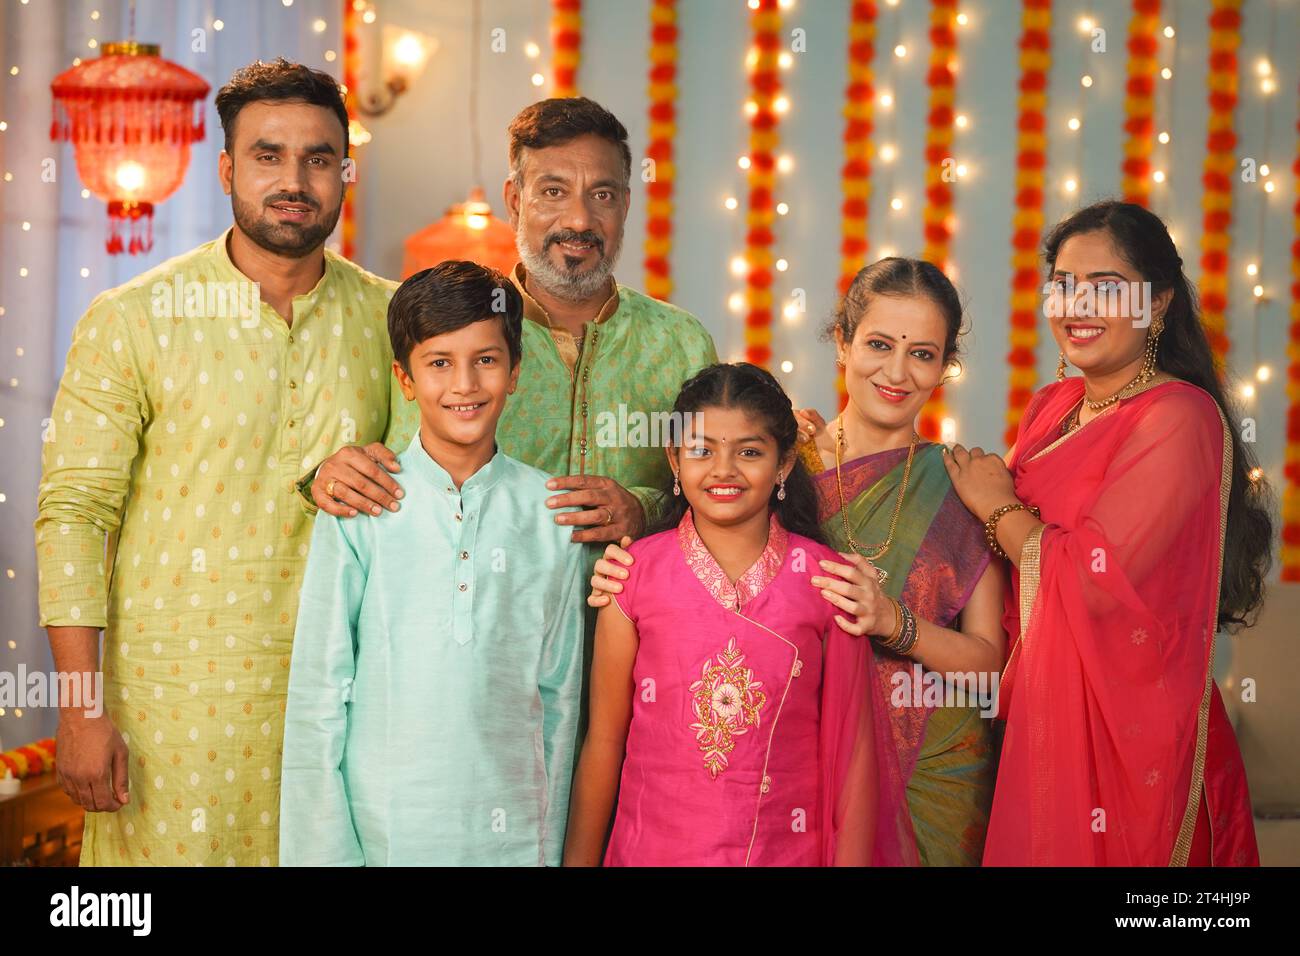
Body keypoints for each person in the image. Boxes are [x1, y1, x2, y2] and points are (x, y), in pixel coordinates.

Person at [34, 59, 402, 866]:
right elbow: (74, 516)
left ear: (344, 172)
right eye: (268, 156)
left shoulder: (393, 318)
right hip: (173, 717)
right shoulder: (133, 319)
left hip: (341, 705)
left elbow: (432, 490)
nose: (293, 180)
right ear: (230, 169)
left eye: (317, 158)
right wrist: (80, 708)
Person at [589, 259, 1005, 865]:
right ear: (843, 342)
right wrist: (625, 570)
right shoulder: (780, 452)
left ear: (944, 368)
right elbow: (695, 538)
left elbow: (990, 668)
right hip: (786, 772)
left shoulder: (964, 485)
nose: (896, 371)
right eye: (879, 344)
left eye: (922, 354)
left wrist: (892, 621)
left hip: (929, 770)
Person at [943, 200, 1271, 865]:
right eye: (1063, 284)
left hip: (1133, 733)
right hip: (1047, 712)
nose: (1076, 304)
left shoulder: (1178, 418)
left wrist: (998, 505)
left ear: (1158, 304)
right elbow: (992, 551)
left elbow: (1092, 577)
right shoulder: (1053, 406)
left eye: (1106, 287)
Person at [306, 96, 716, 548]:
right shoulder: (442, 331)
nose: (579, 220)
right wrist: (329, 473)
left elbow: (723, 490)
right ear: (515, 201)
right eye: (553, 192)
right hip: (477, 613)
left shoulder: (681, 342)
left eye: (602, 195)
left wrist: (643, 511)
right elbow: (368, 471)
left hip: (639, 615)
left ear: (625, 205)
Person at [280, 261, 584, 866]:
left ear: (516, 372)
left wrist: (547, 854)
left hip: (513, 842)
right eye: (439, 362)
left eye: (487, 360)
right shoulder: (363, 505)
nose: (464, 384)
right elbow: (318, 699)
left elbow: (560, 702)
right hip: (385, 837)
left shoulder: (552, 515)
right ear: (406, 379)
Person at [564, 363, 917, 866]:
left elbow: (853, 756)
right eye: (702, 450)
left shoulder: (826, 581)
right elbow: (604, 742)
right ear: (674, 459)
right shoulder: (631, 577)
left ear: (784, 465)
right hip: (652, 851)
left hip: (787, 853)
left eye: (749, 452)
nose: (723, 470)